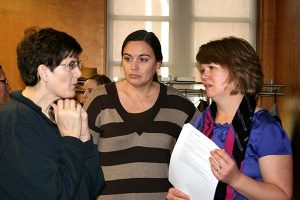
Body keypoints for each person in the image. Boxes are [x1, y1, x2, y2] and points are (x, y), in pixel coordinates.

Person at [166, 37, 293, 200]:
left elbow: (282, 196)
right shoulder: (202, 122)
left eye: (211, 67)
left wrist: (236, 179)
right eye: (203, 70)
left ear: (238, 70)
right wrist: (180, 194)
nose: (204, 75)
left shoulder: (266, 128)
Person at [84, 30, 198, 199]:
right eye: (127, 58)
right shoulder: (100, 99)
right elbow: (81, 158)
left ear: (158, 64)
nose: (133, 66)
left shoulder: (179, 105)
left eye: (143, 59)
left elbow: (201, 160)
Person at [0, 27, 104, 200]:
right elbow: (55, 194)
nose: (78, 72)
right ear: (44, 72)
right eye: (71, 65)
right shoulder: (16, 122)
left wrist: (84, 138)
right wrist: (71, 138)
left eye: (78, 64)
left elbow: (93, 187)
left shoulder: (54, 116)